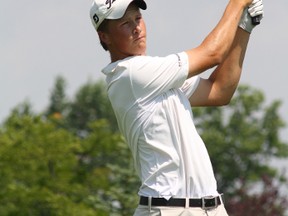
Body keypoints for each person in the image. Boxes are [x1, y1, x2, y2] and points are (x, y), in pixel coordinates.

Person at [90, 0, 264, 215]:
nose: (136, 28)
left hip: (211, 208)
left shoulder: (155, 75)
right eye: (125, 24)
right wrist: (237, 4)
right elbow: (212, 54)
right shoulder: (131, 75)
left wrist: (243, 26)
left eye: (138, 18)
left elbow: (220, 91)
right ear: (104, 36)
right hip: (168, 209)